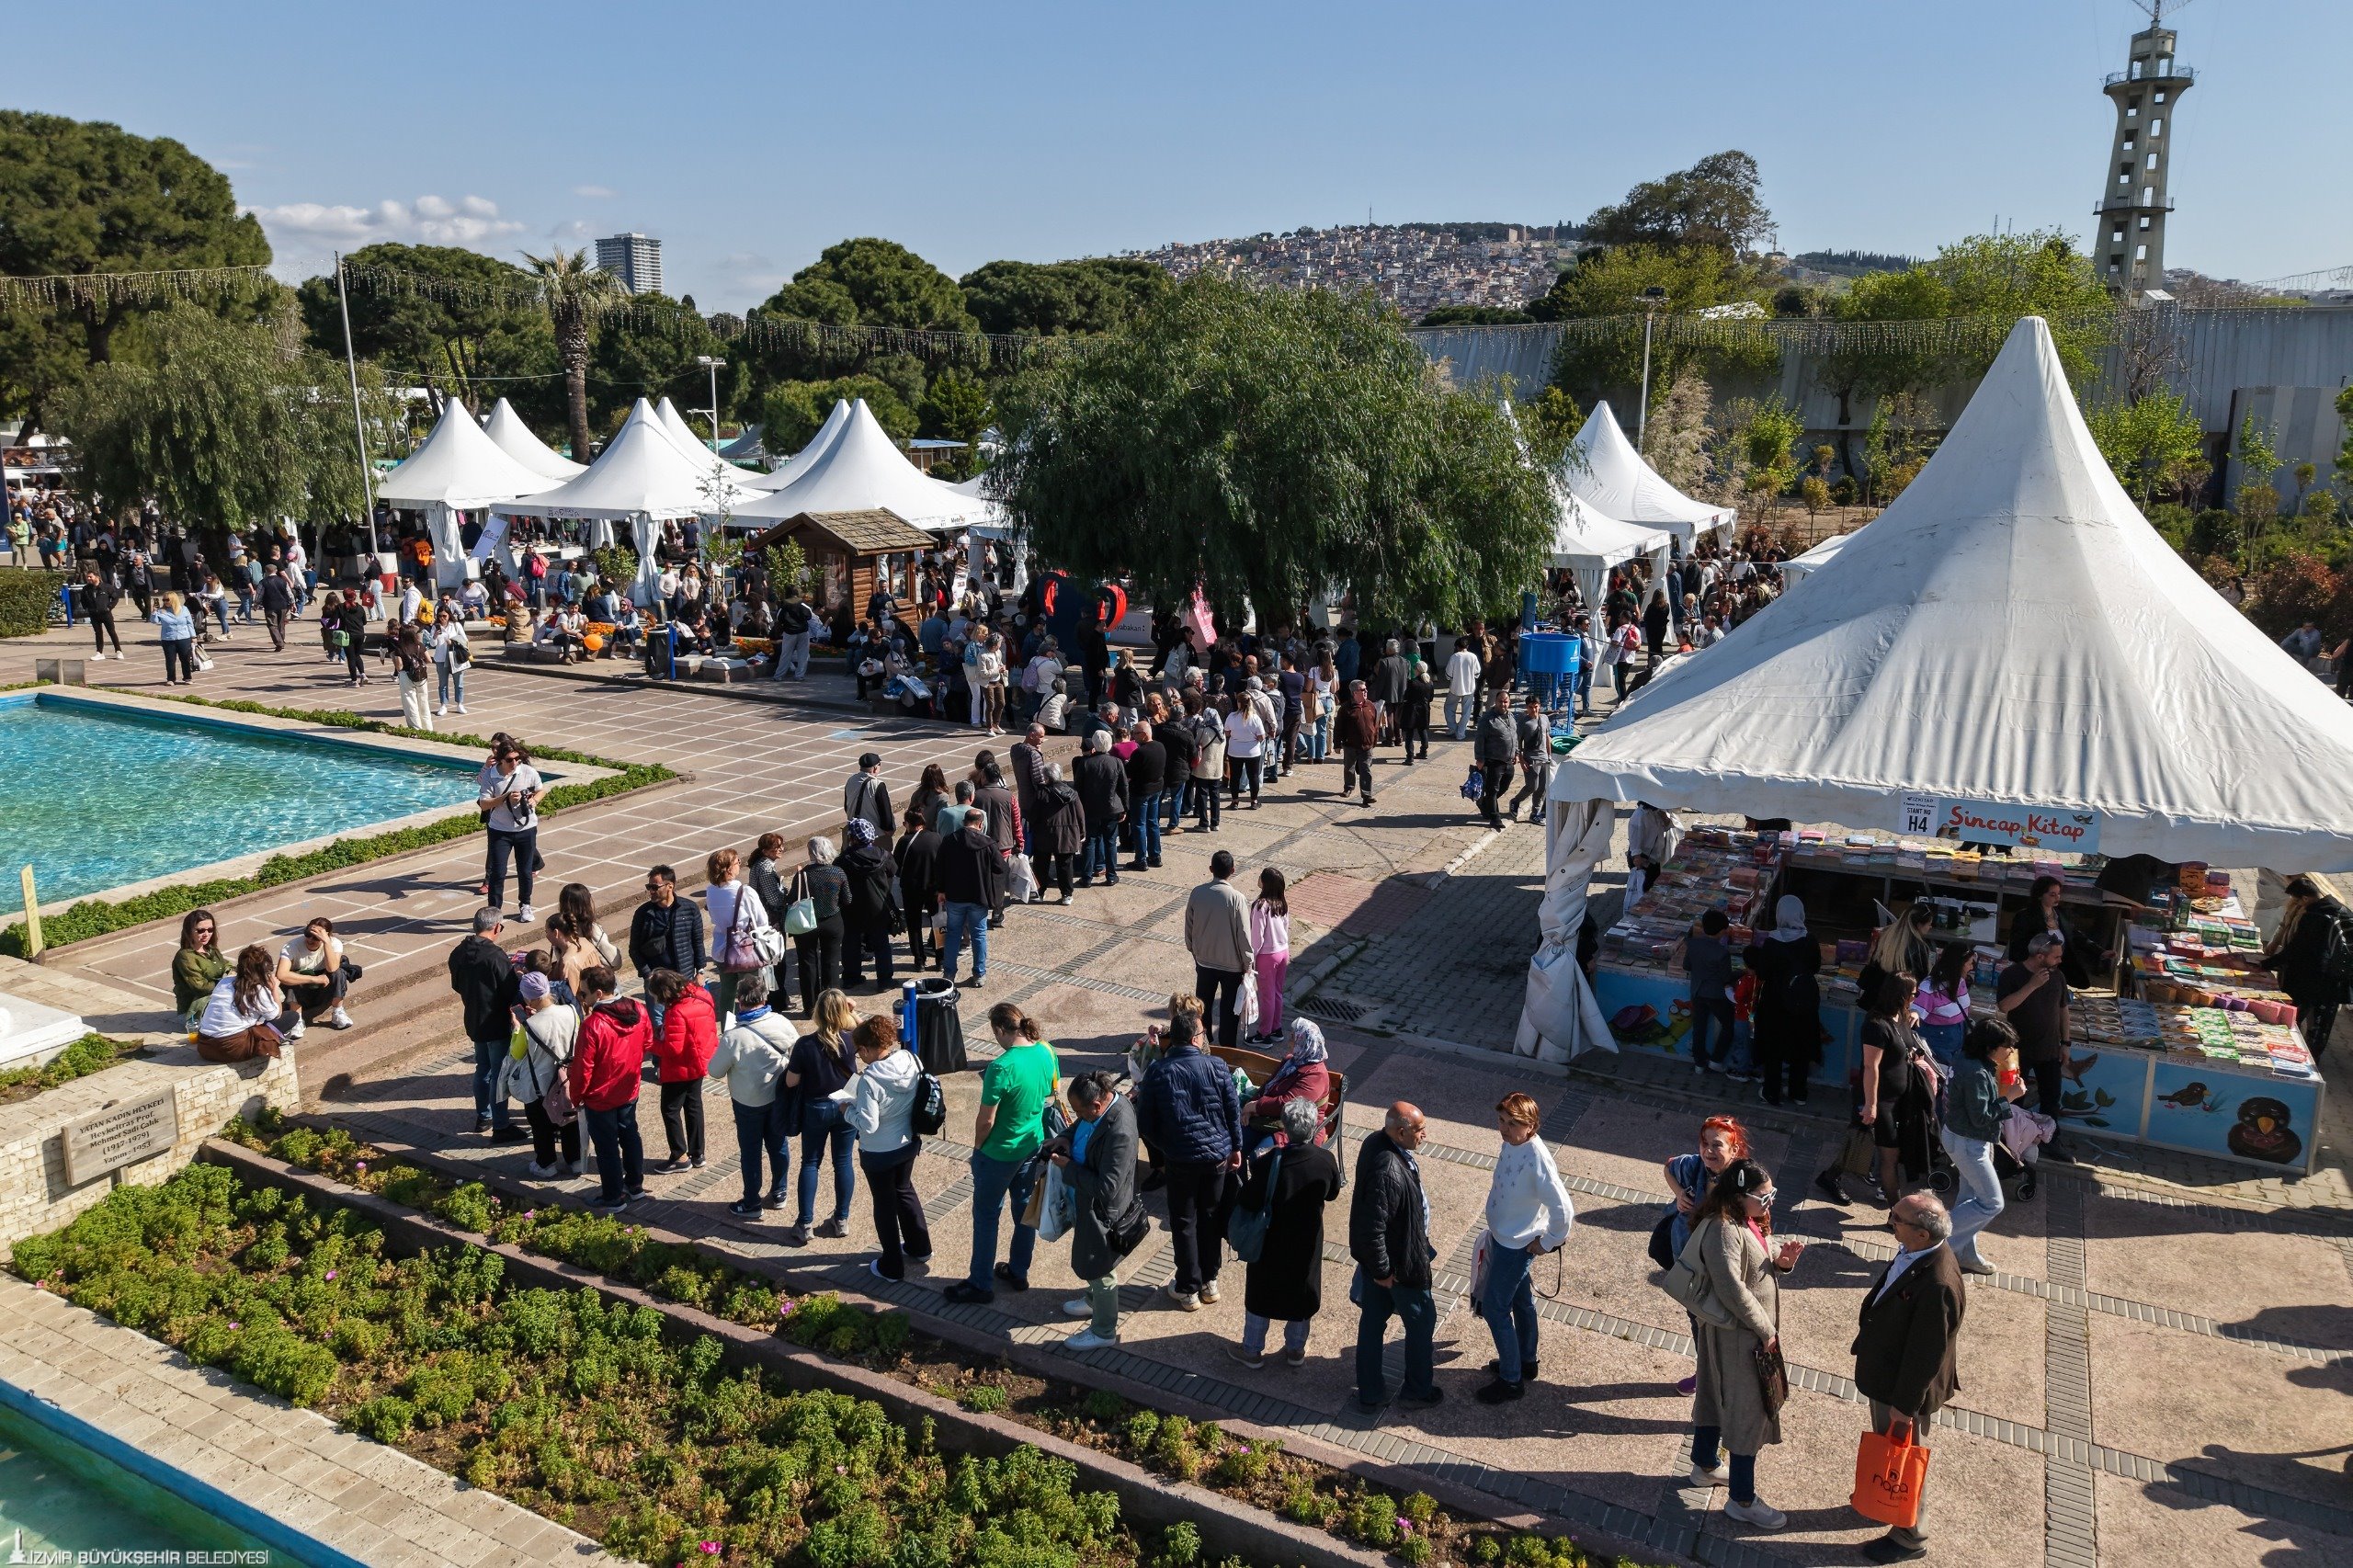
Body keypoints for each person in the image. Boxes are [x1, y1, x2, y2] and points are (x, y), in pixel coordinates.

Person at [1686, 1158, 1803, 1531]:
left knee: (1713, 1396)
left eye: (1771, 1197)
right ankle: (1742, 1499)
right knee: (1746, 1414)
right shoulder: (1723, 1229)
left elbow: (1755, 1268)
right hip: (1738, 1336)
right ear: (1739, 1195)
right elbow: (1731, 1288)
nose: (1769, 1204)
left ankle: (1704, 1465)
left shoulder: (1744, 1220)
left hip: (1741, 1332)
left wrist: (1781, 1263)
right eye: (1763, 1198)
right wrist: (1765, 1329)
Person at [1850, 1192, 1965, 1563]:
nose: (1890, 1220)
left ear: (1922, 1234)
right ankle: (1886, 1504)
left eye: (1897, 1218)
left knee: (1904, 1461)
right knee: (1892, 1457)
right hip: (1888, 1377)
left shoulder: (1938, 1284)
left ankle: (1910, 1537)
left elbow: (1925, 1356)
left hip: (1901, 1391)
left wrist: (1904, 1408)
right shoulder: (1917, 1251)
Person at [944, 1003, 1060, 1303]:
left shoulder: (1001, 1067)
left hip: (999, 1153)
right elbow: (1048, 1096)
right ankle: (1019, 1271)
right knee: (1023, 1210)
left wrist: (978, 1148)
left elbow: (986, 1121)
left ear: (998, 1030)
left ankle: (980, 1283)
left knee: (986, 1216)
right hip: (1031, 1146)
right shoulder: (1046, 1052)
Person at [1134, 1007, 1243, 1310]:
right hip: (1216, 1158)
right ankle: (1210, 1282)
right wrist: (1235, 1147)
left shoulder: (1157, 1071)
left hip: (1181, 1160)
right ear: (1195, 1039)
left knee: (1184, 1222)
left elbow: (1145, 1123)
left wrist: (1167, 1146)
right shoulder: (1218, 1066)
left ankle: (1188, 1288)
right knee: (1211, 1216)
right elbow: (1232, 1111)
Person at [1227, 1096, 1343, 1369]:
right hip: (1307, 1241)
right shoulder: (1325, 1160)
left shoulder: (1268, 1164)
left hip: (1270, 1240)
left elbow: (1248, 1199)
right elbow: (1333, 1193)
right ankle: (1295, 1351)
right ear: (1313, 1127)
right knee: (1302, 1294)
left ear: (1285, 1127)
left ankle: (1252, 1351)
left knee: (1260, 1294)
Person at [1476, 1091, 1575, 1403]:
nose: (1503, 1129)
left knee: (1495, 1308)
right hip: (1505, 1237)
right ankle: (1525, 1361)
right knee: (1521, 1303)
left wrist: (1547, 1242)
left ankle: (1511, 1380)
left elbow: (1564, 1210)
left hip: (1515, 1246)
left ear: (1531, 1126)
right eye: (1501, 1121)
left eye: (1512, 1124)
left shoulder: (1537, 1160)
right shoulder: (1513, 1144)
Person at [1351, 1101, 1440, 1414]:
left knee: (1372, 1324)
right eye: (1419, 1130)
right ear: (1400, 1132)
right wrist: (1383, 1271)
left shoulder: (1377, 1142)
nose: (1425, 1135)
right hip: (1399, 1266)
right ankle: (1418, 1390)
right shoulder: (1388, 1169)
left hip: (1383, 1262)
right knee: (1422, 1321)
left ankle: (1370, 1392)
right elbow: (1372, 1226)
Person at [1661, 1115, 1751, 1395]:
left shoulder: (1744, 1179)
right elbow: (1668, 1166)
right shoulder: (1695, 1165)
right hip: (1689, 1261)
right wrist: (1678, 1194)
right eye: (1704, 1143)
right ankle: (1705, 1373)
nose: (1708, 1150)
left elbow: (1762, 1219)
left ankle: (1725, 1380)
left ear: (1734, 1150)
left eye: (1717, 1145)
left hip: (1723, 1268)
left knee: (1723, 1325)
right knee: (1697, 1318)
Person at [1055, 1070, 1142, 1350]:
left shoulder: (1120, 1131)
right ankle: (1093, 1301)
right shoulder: (1103, 1106)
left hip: (1103, 1211)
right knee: (1092, 1262)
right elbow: (1082, 1127)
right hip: (1086, 1202)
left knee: (1101, 1268)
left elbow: (1107, 1188)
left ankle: (1104, 1330)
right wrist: (1066, 1138)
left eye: (1080, 1112)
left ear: (1097, 1105)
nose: (1077, 1116)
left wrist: (1069, 1169)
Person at [846, 1011, 930, 1281]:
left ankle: (891, 1266)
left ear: (869, 1048)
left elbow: (868, 1125)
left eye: (861, 1051)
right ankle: (920, 1247)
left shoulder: (870, 1079)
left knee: (884, 1204)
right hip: (908, 1143)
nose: (860, 1055)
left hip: (878, 1152)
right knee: (905, 1191)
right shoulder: (911, 1059)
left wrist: (846, 1110)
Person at [708, 971, 798, 1220]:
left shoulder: (734, 1036)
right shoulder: (781, 1022)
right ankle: (779, 1192)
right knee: (778, 1145)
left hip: (748, 1103)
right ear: (764, 997)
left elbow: (714, 1072)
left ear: (739, 1001)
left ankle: (751, 1202)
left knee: (750, 1151)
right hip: (777, 1097)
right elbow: (796, 1051)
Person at [1942, 1017, 2022, 1276]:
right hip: (1969, 1143)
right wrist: (2009, 1097)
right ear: (1991, 1047)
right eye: (2007, 1046)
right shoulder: (1976, 1071)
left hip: (1962, 1138)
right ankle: (1934, 1244)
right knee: (1991, 1202)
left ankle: (1966, 1254)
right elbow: (1981, 1117)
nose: (2011, 1051)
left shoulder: (1967, 1060)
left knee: (1969, 1198)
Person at [780, 988, 861, 1242]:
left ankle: (805, 1224)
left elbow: (792, 1083)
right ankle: (841, 1219)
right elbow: (871, 1033)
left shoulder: (805, 1045)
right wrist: (853, 1011)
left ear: (817, 1013)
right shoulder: (852, 1039)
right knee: (843, 1161)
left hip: (815, 1108)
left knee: (810, 1163)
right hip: (846, 1106)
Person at [570, 966, 652, 1210]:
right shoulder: (638, 1009)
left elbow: (583, 1068)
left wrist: (576, 1097)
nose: (581, 998)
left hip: (601, 1096)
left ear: (597, 993)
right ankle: (635, 1185)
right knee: (630, 1135)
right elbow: (648, 1041)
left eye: (583, 994)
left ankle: (613, 1196)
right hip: (629, 1088)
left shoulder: (593, 1025)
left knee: (606, 1148)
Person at [1853, 971, 1938, 1206]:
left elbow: (1905, 1036)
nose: (1916, 997)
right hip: (1882, 1102)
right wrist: (1871, 1105)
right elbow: (1871, 1066)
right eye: (1913, 994)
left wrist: (1913, 1015)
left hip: (1901, 1098)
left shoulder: (1898, 1017)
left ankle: (1831, 1176)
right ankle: (1896, 1211)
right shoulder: (1876, 1025)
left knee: (1869, 1147)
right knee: (1889, 1157)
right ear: (1900, 995)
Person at [1995, 932, 2075, 1161]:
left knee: (2051, 1098)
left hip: (2049, 1048)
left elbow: (2063, 1011)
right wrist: (2032, 985)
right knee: (2014, 1098)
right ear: (2040, 956)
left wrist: (2066, 1043)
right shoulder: (2012, 974)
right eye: (2056, 957)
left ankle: (2051, 1141)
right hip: (2017, 1050)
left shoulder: (2058, 977)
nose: (2060, 961)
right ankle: (2010, 1142)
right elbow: (2004, 1006)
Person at [448, 908, 523, 1140]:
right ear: (496, 927)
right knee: (499, 1074)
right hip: (496, 1021)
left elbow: (457, 985)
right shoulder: (495, 956)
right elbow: (512, 991)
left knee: (483, 1069)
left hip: (474, 1019)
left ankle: (484, 1116)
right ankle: (501, 1125)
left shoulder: (459, 952)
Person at [2256, 874, 2350, 1053]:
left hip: (2310, 979)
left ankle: (2288, 1052)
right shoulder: (2340, 908)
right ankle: (2314, 1056)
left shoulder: (2314, 916)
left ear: (2306, 898)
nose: (2297, 904)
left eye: (2297, 900)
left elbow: (2295, 950)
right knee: (2321, 1025)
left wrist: (2265, 965)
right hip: (2335, 980)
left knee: (2293, 1017)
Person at [1745, 895, 1821, 1107]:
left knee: (1774, 1049)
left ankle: (1771, 1092)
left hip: (1775, 1003)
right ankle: (1798, 1093)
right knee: (1800, 1047)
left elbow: (1764, 973)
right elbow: (1815, 968)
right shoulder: (1810, 941)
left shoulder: (1772, 942)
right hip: (1802, 1003)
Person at [644, 969, 716, 1170]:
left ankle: (679, 1156)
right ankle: (698, 1154)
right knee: (694, 1106)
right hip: (701, 1059)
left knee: (670, 1109)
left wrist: (650, 1043)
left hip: (681, 1067)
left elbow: (672, 1049)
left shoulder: (677, 1011)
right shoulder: (702, 994)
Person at [512, 970, 582, 1177]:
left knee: (541, 1126)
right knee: (571, 1120)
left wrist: (517, 1028)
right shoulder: (571, 1011)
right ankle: (576, 1160)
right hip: (568, 1079)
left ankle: (546, 1164)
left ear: (529, 998)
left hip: (541, 1085)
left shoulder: (529, 1025)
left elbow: (516, 1053)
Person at [1187, 849, 1254, 1049]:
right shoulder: (1237, 899)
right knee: (1229, 1009)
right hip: (1232, 966)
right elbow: (1244, 934)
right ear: (1233, 870)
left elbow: (1189, 927)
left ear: (1210, 869)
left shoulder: (1197, 893)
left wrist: (1195, 951)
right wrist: (1247, 963)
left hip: (1204, 961)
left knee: (1202, 1006)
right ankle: (1228, 1047)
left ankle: (1203, 1042)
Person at [476, 735, 545, 923]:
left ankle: (525, 905)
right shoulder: (491, 775)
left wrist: (534, 800)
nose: (514, 763)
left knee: (524, 871)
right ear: (500, 760)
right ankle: (494, 913)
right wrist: (505, 798)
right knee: (498, 873)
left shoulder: (528, 771)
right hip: (500, 831)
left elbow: (541, 789)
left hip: (526, 829)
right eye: (509, 760)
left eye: (517, 758)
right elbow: (483, 804)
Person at [937, 807, 1005, 989]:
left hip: (955, 897)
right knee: (979, 935)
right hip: (978, 897)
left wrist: (941, 890)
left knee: (953, 935)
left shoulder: (949, 840)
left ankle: (949, 973)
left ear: (963, 822)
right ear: (980, 824)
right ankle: (979, 974)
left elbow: (940, 867)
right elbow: (1000, 868)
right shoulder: (988, 844)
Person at [704, 846, 771, 1025]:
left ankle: (727, 1027)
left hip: (721, 949)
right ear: (728, 868)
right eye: (737, 862)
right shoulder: (745, 891)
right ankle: (752, 1023)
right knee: (751, 991)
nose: (739, 864)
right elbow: (762, 920)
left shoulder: (710, 891)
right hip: (744, 948)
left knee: (727, 990)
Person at [2004, 874, 2104, 989]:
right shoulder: (2025, 917)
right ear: (2040, 896)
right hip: (2034, 972)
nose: (2057, 898)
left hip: (2057, 972)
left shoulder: (2061, 915)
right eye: (2052, 895)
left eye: (2058, 894)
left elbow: (2076, 936)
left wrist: (2100, 951)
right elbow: (2017, 948)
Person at [836, 818, 900, 990]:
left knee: (851, 942)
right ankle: (885, 980)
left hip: (851, 907)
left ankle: (851, 976)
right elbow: (894, 870)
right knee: (881, 943)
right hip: (878, 906)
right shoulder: (883, 855)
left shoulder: (844, 859)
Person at [194, 946, 285, 1062]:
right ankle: (277, 1039)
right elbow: (277, 1015)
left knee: (259, 1020)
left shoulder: (224, 982)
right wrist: (274, 989)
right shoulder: (256, 989)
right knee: (291, 1017)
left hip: (205, 1047)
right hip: (232, 1049)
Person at [791, 838, 850, 1013]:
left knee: (807, 962)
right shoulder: (838, 873)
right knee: (831, 963)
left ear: (811, 853)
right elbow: (847, 899)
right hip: (832, 921)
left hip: (807, 922)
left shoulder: (803, 875)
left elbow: (793, 898)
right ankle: (831, 1007)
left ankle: (810, 1007)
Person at [629, 864, 707, 988]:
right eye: (649, 887)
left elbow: (697, 942)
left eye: (655, 887)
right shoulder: (643, 913)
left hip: (684, 978)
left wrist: (700, 971)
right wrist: (647, 974)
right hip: (657, 981)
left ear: (670, 886)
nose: (651, 891)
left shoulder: (690, 908)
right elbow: (634, 949)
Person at [277, 916, 353, 1036]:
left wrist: (326, 942)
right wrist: (314, 979)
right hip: (302, 990)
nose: (310, 940)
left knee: (339, 973)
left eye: (316, 937)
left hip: (324, 989)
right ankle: (297, 1019)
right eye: (308, 934)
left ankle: (338, 1012)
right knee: (292, 979)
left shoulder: (334, 944)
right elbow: (281, 974)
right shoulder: (291, 947)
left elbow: (332, 968)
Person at [1683, 910, 1737, 1074]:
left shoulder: (1692, 944)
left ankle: (1699, 1062)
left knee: (1699, 1027)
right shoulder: (1722, 953)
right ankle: (1716, 1059)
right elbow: (1726, 977)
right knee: (1729, 1025)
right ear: (1721, 931)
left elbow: (1686, 966)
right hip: (1716, 995)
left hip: (1697, 992)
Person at [1072, 731, 1129, 888]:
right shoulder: (1117, 762)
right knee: (1110, 842)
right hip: (1112, 808)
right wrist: (1125, 808)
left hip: (1090, 809)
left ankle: (1087, 877)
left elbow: (1078, 789)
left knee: (1090, 842)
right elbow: (1124, 787)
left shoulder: (1086, 763)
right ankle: (1111, 876)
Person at [892, 810, 943, 971]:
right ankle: (941, 959)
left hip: (911, 889)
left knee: (914, 925)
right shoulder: (936, 838)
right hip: (934, 888)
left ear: (909, 824)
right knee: (938, 923)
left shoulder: (903, 842)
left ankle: (919, 960)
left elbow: (896, 867)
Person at [1245, 869, 1292, 1045]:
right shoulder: (1281, 903)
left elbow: (1257, 936)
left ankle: (1264, 1033)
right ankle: (1276, 1028)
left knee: (1266, 995)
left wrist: (1251, 959)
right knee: (1277, 992)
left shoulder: (1260, 905)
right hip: (1283, 951)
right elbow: (1286, 928)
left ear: (1265, 883)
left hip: (1267, 955)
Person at [1029, 763, 1085, 904]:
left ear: (1046, 777)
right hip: (1067, 834)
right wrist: (1082, 832)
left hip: (1044, 833)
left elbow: (1033, 815)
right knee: (1065, 864)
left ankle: (1039, 893)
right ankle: (1067, 894)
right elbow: (1080, 815)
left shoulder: (1042, 794)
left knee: (1041, 864)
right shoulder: (1072, 793)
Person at [1916, 942, 1972, 1072]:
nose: (1971, 967)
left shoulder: (1961, 981)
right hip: (1938, 1048)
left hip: (1958, 1044)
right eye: (1969, 963)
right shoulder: (1928, 988)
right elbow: (1914, 1020)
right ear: (1959, 964)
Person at [171, 909, 230, 1023]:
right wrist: (225, 982)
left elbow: (226, 965)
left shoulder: (211, 949)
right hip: (195, 1010)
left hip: (215, 999)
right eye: (200, 930)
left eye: (210, 929)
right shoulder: (185, 957)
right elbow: (200, 987)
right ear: (189, 931)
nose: (206, 934)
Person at [1123, 721, 1167, 870]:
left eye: (1135, 734)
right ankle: (1155, 856)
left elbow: (1129, 772)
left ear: (1143, 734)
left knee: (1139, 825)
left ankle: (1141, 859)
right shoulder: (1160, 746)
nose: (1133, 737)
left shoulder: (1140, 753)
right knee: (1153, 822)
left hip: (1141, 792)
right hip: (1156, 789)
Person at [1472, 690, 1516, 831]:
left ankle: (1484, 805)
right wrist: (1480, 758)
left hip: (1509, 761)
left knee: (1504, 787)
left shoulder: (1511, 716)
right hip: (1494, 760)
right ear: (1495, 702)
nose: (1503, 704)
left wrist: (1516, 753)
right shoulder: (1488, 719)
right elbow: (1480, 740)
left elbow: (1514, 735)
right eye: (1500, 701)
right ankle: (1495, 818)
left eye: (1506, 701)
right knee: (1492, 789)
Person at [1333, 680, 1378, 808]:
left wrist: (1375, 740)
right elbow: (1338, 727)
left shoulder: (1370, 706)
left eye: (1365, 689)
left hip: (1367, 746)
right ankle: (1348, 787)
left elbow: (1375, 724)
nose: (1366, 692)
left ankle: (1367, 795)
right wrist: (1337, 744)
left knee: (1366, 770)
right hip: (1350, 745)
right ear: (1354, 692)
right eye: (1362, 690)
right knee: (1349, 768)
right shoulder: (1345, 708)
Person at [1507, 693, 1552, 824]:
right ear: (1527, 707)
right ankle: (1516, 801)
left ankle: (1535, 813)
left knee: (1542, 787)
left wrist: (1550, 755)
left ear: (1540, 706)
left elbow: (1548, 737)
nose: (1534, 710)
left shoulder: (1544, 719)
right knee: (1532, 786)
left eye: (1536, 707)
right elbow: (1518, 742)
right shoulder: (1523, 722)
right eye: (1531, 707)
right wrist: (1521, 759)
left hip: (1544, 758)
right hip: (1530, 759)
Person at [843, 752, 893, 845]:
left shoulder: (851, 780)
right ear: (875, 768)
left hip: (855, 834)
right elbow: (885, 810)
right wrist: (889, 829)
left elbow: (846, 806)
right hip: (874, 835)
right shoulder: (877, 785)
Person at [152, 591, 199, 684]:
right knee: (170, 660)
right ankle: (170, 679)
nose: (165, 602)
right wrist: (154, 611)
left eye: (167, 600)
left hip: (184, 637)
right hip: (168, 638)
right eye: (163, 600)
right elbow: (154, 621)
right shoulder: (161, 611)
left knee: (185, 659)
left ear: (173, 600)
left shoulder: (184, 609)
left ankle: (187, 677)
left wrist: (193, 636)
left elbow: (190, 623)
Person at [430, 611, 471, 716]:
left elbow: (464, 639)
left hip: (455, 657)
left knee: (459, 683)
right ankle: (443, 705)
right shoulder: (436, 627)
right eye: (439, 616)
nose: (442, 618)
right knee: (443, 684)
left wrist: (453, 642)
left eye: (444, 616)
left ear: (449, 616)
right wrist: (434, 636)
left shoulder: (456, 625)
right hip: (441, 658)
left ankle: (460, 704)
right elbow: (432, 644)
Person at [1443, 637, 1483, 740]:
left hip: (1455, 688)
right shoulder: (1473, 657)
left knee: (1449, 708)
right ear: (1467, 646)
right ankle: (1461, 733)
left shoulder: (1454, 657)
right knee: (1467, 711)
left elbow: (1448, 675)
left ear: (1457, 647)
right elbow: (1477, 673)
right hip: (1469, 688)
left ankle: (1452, 728)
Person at [1396, 656, 1434, 763]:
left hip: (1412, 710)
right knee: (1423, 731)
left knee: (1410, 734)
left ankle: (1410, 757)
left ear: (1417, 670)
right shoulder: (1430, 683)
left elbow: (1406, 696)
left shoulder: (1412, 683)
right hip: (1424, 710)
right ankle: (1424, 751)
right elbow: (1431, 698)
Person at [80, 569, 123, 659]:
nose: (88, 579)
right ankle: (99, 652)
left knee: (112, 632)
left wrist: (109, 607)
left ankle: (118, 651)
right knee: (98, 633)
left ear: (97, 577)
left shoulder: (107, 587)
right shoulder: (86, 589)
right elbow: (83, 600)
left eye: (90, 577)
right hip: (94, 614)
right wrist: (87, 608)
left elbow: (115, 598)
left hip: (105, 614)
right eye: (87, 577)